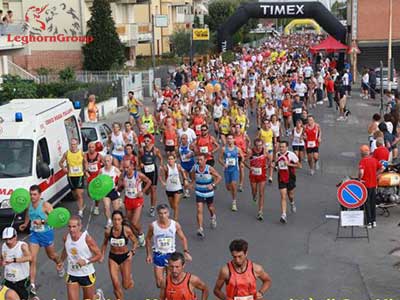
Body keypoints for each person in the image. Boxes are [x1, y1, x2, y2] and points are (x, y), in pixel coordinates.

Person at [19, 185, 63, 296]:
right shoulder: (29, 205)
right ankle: (32, 285)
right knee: (32, 259)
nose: (32, 196)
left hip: (46, 234)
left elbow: (54, 219)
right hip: (34, 235)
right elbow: (28, 214)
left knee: (52, 256)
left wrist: (42, 221)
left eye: (34, 194)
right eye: (31, 194)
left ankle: (59, 263)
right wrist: (25, 224)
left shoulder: (45, 205)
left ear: (40, 195)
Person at [145, 204, 192, 288]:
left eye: (165, 213)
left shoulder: (175, 225)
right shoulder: (153, 226)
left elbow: (183, 238)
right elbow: (148, 239)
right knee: (159, 284)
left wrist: (186, 252)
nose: (163, 215)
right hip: (158, 255)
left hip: (170, 256)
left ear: (168, 213)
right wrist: (149, 254)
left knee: (170, 282)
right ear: (158, 214)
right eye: (160, 213)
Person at [57, 216, 103, 300]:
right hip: (72, 273)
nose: (71, 229)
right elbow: (66, 249)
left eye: (74, 226)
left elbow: (99, 255)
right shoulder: (66, 237)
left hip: (86, 274)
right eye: (69, 226)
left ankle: (98, 296)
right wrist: (61, 261)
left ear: (80, 226)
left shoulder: (87, 239)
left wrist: (86, 261)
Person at [100, 211, 138, 300]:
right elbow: (105, 243)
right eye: (115, 219)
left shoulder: (126, 230)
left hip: (125, 257)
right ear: (112, 220)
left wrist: (132, 251)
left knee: (126, 286)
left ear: (122, 220)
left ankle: (129, 279)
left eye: (118, 219)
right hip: (113, 258)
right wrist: (102, 255)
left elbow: (135, 242)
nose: (116, 222)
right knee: (115, 284)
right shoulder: (108, 231)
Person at [119, 159, 152, 247]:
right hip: (128, 199)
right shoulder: (123, 175)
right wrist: (119, 187)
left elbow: (149, 181)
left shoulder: (138, 175)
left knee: (134, 222)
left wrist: (143, 191)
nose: (126, 169)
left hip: (137, 200)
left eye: (127, 167)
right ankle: (136, 237)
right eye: (124, 167)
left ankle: (140, 235)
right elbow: (120, 184)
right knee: (129, 222)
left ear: (132, 166)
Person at [190, 154, 222, 238]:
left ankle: (213, 216)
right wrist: (192, 183)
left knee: (210, 207)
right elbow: (193, 176)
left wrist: (213, 185)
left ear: (205, 160)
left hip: (209, 192)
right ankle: (200, 228)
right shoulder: (195, 168)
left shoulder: (209, 168)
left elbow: (219, 177)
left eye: (201, 160)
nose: (199, 161)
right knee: (199, 209)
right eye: (198, 160)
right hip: (199, 191)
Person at [59, 138, 87, 218]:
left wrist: (85, 169)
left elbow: (85, 161)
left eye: (74, 144)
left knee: (79, 194)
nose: (73, 146)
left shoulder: (81, 153)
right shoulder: (67, 153)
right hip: (71, 176)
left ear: (77, 144)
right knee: (74, 194)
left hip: (79, 175)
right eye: (72, 144)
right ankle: (81, 204)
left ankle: (80, 210)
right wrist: (64, 169)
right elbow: (60, 162)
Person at [1, 227, 31, 300]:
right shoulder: (4, 246)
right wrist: (2, 262)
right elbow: (2, 258)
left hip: (21, 280)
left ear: (15, 237)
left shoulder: (22, 246)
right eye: (5, 239)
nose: (8, 241)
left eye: (10, 239)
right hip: (8, 279)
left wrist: (13, 260)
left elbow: (29, 257)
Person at [139, 134, 164, 217]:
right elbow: (139, 159)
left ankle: (152, 208)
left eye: (148, 141)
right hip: (144, 172)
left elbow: (160, 158)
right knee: (146, 191)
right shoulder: (141, 150)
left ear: (151, 141)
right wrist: (140, 163)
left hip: (153, 171)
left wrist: (161, 165)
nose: (146, 143)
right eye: (145, 141)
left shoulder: (155, 150)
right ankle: (147, 190)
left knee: (153, 189)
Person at [359, 145, 384, 228]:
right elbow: (382, 168)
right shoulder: (374, 160)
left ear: (362, 153)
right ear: (369, 152)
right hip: (374, 184)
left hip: (365, 185)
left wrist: (359, 178)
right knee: (372, 203)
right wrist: (376, 174)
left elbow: (361, 172)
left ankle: (368, 222)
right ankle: (374, 221)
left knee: (366, 203)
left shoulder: (363, 161)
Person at [218, 134, 244, 212]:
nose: (229, 140)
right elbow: (219, 159)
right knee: (228, 187)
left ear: (234, 140)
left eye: (231, 138)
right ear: (226, 140)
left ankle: (234, 201)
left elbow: (242, 156)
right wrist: (223, 164)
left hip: (235, 169)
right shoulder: (223, 149)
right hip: (227, 170)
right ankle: (232, 193)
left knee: (233, 184)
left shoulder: (237, 149)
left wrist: (242, 162)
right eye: (228, 138)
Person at [277, 141, 300, 224]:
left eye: (283, 147)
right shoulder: (278, 155)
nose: (281, 148)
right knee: (283, 196)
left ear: (287, 148)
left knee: (290, 195)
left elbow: (299, 165)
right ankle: (283, 215)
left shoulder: (291, 155)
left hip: (290, 177)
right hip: (281, 178)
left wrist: (289, 164)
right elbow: (277, 164)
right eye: (280, 147)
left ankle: (292, 203)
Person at [246, 138, 269, 221]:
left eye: (260, 145)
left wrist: (268, 166)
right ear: (254, 145)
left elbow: (270, 159)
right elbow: (244, 160)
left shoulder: (265, 151)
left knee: (261, 193)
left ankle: (260, 211)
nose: (259, 147)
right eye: (257, 145)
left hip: (262, 175)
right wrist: (249, 167)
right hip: (253, 175)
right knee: (254, 191)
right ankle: (254, 195)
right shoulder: (251, 152)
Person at [159, 154, 188, 221]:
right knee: (172, 206)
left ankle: (175, 220)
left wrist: (185, 179)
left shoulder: (177, 166)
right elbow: (160, 175)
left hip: (178, 188)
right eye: (169, 159)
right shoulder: (166, 167)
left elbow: (183, 172)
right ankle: (176, 212)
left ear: (175, 159)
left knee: (176, 204)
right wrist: (163, 182)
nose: (170, 160)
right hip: (169, 188)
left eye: (172, 159)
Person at [100, 155, 122, 228]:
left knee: (116, 209)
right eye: (105, 161)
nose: (106, 163)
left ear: (111, 161)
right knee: (106, 207)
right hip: (105, 191)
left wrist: (118, 186)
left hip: (114, 190)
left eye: (108, 161)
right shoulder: (101, 171)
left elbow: (121, 179)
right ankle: (109, 221)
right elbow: (98, 181)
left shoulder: (115, 170)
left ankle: (118, 222)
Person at [84, 142, 103, 216]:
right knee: (90, 193)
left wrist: (101, 171)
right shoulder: (86, 155)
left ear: (95, 148)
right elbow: (85, 164)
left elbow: (105, 163)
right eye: (89, 147)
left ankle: (96, 207)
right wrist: (86, 173)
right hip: (90, 175)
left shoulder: (99, 156)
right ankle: (96, 200)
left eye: (92, 147)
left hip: (97, 175)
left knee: (96, 193)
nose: (91, 149)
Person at [178, 134, 196, 198]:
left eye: (184, 138)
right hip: (183, 164)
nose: (182, 140)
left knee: (192, 178)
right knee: (184, 178)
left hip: (191, 164)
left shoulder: (190, 145)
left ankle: (192, 186)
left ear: (187, 139)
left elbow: (196, 153)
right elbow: (178, 155)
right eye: (181, 138)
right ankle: (186, 192)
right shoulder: (179, 146)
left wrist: (191, 154)